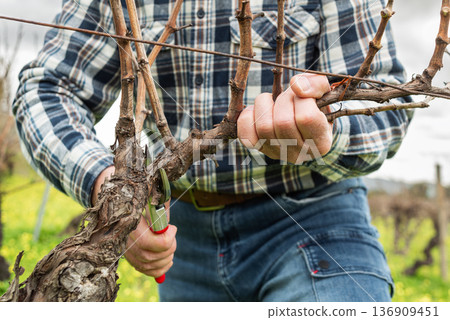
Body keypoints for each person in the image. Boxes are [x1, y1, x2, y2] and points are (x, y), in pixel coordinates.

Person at [13, 0, 412, 302]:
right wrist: (114, 192)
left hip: (317, 218)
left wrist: (326, 134)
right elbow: (48, 88)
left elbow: (385, 106)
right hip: (181, 233)